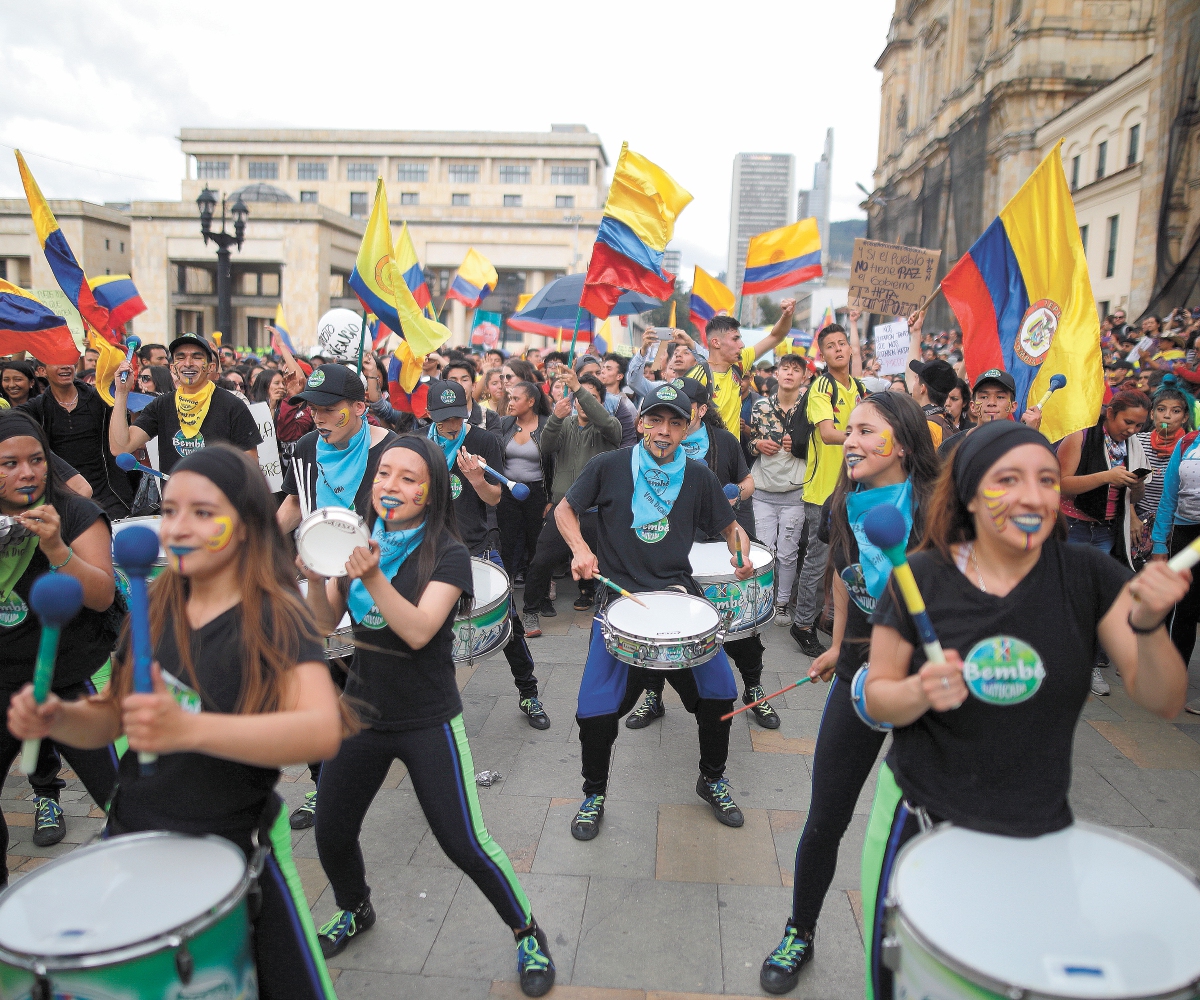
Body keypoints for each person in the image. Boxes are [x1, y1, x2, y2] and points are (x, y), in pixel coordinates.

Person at [860, 420, 1189, 1000]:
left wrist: (1149, 624)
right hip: (921, 820)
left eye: (1045, 479)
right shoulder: (920, 577)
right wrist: (919, 692)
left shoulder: (1090, 576)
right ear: (967, 494)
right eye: (1006, 479)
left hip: (1039, 827)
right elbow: (879, 694)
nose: (1032, 495)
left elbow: (1161, 700)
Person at [9, 443, 347, 1000]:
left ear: (245, 525)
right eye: (168, 512)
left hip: (240, 843)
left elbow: (320, 729)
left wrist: (190, 729)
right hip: (139, 830)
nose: (179, 527)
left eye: (203, 513)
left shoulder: (276, 614)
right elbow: (113, 715)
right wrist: (59, 717)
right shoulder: (155, 602)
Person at [299, 436, 557, 996]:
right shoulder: (359, 542)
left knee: (463, 840)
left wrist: (369, 576)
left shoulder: (448, 553)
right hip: (360, 714)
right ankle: (354, 906)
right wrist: (320, 574)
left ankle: (526, 930)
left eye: (408, 478)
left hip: (427, 718)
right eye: (384, 473)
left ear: (431, 491)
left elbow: (417, 630)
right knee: (332, 829)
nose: (391, 486)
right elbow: (325, 625)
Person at [758, 392, 938, 994]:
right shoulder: (849, 498)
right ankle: (798, 931)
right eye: (849, 429)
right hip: (860, 666)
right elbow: (844, 572)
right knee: (824, 816)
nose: (850, 440)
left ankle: (931, 938)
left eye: (866, 430)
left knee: (929, 817)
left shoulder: (938, 509)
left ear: (905, 443)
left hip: (929, 677)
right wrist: (838, 645)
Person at [556, 383, 754, 839]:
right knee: (595, 707)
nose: (663, 431)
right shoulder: (608, 466)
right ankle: (594, 794)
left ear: (688, 426)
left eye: (675, 422)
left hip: (679, 598)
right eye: (655, 420)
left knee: (720, 694)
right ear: (641, 421)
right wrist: (581, 548)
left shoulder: (700, 474)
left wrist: (739, 555)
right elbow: (565, 511)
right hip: (619, 601)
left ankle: (712, 777)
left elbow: (730, 527)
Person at [0, 411, 120, 884]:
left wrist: (55, 547)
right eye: (9, 464)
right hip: (4, 681)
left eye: (35, 460)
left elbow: (101, 594)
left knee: (127, 799)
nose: (26, 473)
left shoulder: (74, 513)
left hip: (73, 678)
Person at [623, 377, 777, 730]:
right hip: (673, 553)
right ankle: (652, 696)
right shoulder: (648, 452)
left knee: (741, 634)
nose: (666, 427)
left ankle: (753, 689)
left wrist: (733, 495)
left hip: (718, 546)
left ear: (699, 410)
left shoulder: (722, 441)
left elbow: (748, 482)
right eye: (658, 417)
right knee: (659, 633)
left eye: (678, 413)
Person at [426, 380, 549, 729]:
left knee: (508, 622)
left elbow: (495, 498)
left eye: (457, 416)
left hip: (479, 543)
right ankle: (434, 703)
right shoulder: (421, 441)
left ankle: (529, 693)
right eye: (443, 418)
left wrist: (477, 479)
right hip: (432, 548)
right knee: (432, 627)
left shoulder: (483, 440)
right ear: (430, 415)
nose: (451, 425)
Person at [520, 370, 622, 636]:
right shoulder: (565, 423)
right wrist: (555, 418)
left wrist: (578, 388)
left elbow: (606, 421)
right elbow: (546, 446)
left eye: (590, 397)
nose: (583, 402)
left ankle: (615, 613)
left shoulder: (609, 427)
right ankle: (530, 611)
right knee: (541, 561)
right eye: (579, 397)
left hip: (597, 512)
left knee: (611, 565)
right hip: (563, 509)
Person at [792, 324, 867, 657]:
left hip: (852, 486)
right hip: (822, 489)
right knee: (817, 560)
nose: (838, 349)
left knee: (846, 558)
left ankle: (832, 619)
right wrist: (867, 437)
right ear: (822, 355)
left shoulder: (861, 387)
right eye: (831, 346)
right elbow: (826, 433)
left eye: (843, 343)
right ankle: (803, 624)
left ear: (851, 349)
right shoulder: (822, 386)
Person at [110, 333, 263, 474]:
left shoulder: (232, 405)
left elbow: (250, 462)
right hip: (175, 502)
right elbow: (121, 447)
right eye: (181, 357)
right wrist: (121, 393)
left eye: (197, 357)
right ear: (173, 368)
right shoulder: (161, 405)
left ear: (211, 367)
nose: (188, 363)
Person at [20, 356, 135, 518]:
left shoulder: (101, 399)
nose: (65, 366)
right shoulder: (36, 408)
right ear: (41, 371)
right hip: (63, 500)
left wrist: (122, 393)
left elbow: (127, 430)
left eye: (69, 360)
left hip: (110, 496)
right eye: (57, 361)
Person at [747, 353, 809, 627]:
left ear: (803, 377)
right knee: (763, 549)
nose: (789, 374)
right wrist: (758, 445)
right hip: (763, 489)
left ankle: (782, 603)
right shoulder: (760, 406)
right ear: (777, 373)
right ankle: (763, 601)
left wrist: (797, 446)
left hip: (795, 492)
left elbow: (818, 448)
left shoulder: (809, 409)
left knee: (787, 551)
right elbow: (748, 444)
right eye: (785, 368)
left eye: (796, 370)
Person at [706, 303, 797, 442]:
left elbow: (776, 336)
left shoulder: (740, 363)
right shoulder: (697, 375)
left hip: (733, 453)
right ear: (716, 343)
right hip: (707, 455)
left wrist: (787, 315)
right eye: (735, 339)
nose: (741, 344)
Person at [497, 380, 551, 588]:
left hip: (537, 493)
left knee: (536, 543)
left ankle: (540, 593)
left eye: (515, 398)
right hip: (508, 493)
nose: (510, 402)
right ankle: (505, 589)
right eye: (510, 398)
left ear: (530, 401)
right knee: (507, 542)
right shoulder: (504, 424)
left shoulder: (547, 425)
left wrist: (551, 499)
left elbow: (554, 464)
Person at [1133, 379, 1191, 565]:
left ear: (1184, 417)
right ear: (1151, 414)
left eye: (1175, 411)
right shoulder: (1136, 442)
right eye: (1161, 409)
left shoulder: (1191, 449)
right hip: (1139, 527)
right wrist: (1132, 519)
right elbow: (1122, 487)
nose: (1167, 416)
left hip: (1177, 529)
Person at [627, 328, 709, 404]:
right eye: (676, 353)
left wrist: (691, 343)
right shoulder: (662, 389)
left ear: (696, 361)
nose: (678, 355)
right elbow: (633, 381)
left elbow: (713, 364)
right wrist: (644, 350)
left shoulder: (704, 387)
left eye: (686, 353)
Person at [444, 356, 500, 432]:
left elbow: (496, 443)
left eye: (464, 380)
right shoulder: (438, 416)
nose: (459, 385)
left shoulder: (490, 417)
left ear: (473, 385)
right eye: (453, 380)